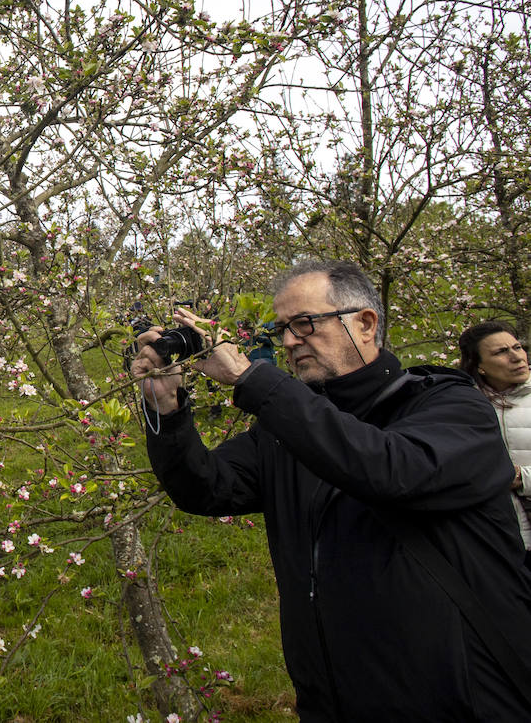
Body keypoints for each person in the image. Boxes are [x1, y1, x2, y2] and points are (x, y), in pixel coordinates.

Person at [131, 260, 531, 722]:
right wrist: (168, 407)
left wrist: (251, 379)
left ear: (365, 323)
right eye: (282, 328)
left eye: (304, 324)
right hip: (336, 698)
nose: (287, 342)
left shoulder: (451, 404)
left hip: (464, 699)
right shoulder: (288, 427)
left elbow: (389, 468)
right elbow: (205, 488)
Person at [458, 320, 531, 557]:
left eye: (517, 347)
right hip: (494, 540)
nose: (517, 357)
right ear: (479, 366)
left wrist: (522, 477)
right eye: (501, 352)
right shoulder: (462, 406)